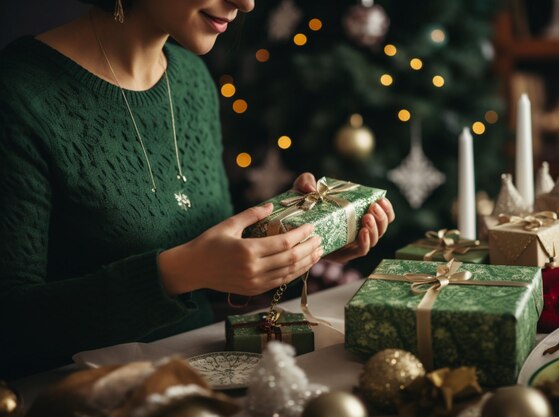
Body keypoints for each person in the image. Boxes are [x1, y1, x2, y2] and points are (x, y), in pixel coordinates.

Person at [0, 0, 395, 379]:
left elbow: (212, 275)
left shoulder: (191, 77)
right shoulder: (19, 95)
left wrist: (301, 236)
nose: (246, 3)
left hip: (205, 376)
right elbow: (12, 327)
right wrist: (177, 272)